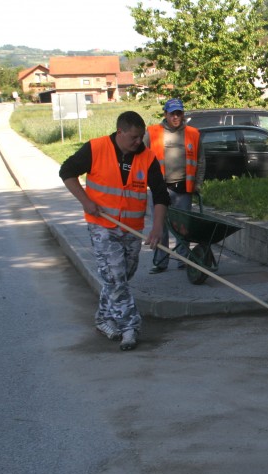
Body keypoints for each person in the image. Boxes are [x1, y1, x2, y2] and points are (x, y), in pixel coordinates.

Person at [59, 111, 171, 351]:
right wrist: (85, 201)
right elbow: (66, 172)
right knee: (116, 277)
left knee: (119, 277)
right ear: (120, 132)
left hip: (132, 229)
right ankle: (130, 328)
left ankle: (103, 319)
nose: (138, 142)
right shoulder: (95, 148)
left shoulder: (147, 157)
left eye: (141, 137)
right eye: (134, 137)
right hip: (102, 226)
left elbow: (160, 194)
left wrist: (158, 227)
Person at [144, 98, 206, 274]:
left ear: (183, 114)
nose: (176, 117)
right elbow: (141, 158)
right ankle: (160, 262)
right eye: (172, 113)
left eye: (179, 113)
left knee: (183, 227)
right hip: (160, 188)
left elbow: (201, 161)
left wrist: (198, 184)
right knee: (160, 227)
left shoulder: (193, 134)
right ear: (165, 114)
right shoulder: (152, 133)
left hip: (183, 189)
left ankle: (183, 261)